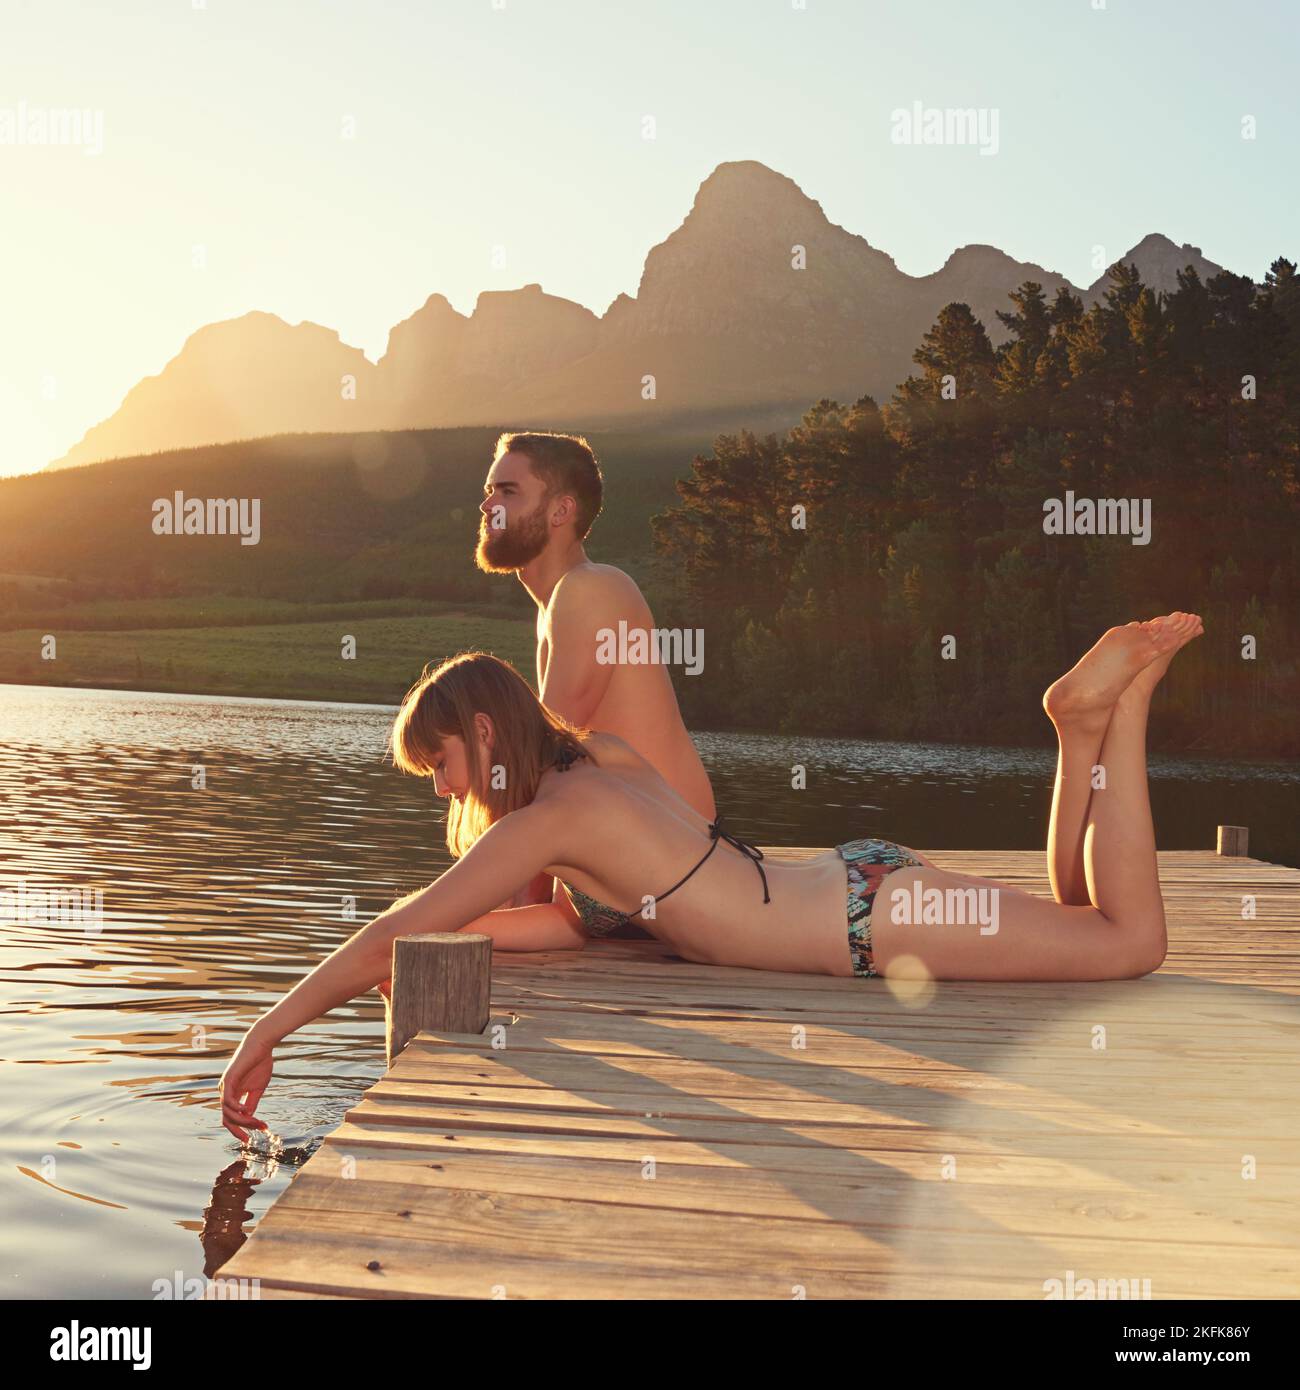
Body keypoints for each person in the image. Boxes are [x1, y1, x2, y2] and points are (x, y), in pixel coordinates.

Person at [219, 612, 1202, 1142]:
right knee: (1081, 920)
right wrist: (450, 936)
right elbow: (591, 923)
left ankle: (1123, 708)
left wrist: (266, 1029)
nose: (440, 790)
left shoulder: (547, 822)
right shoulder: (597, 763)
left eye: (440, 766)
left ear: (482, 734)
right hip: (860, 886)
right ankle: (1079, 729)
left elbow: (395, 929)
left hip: (867, 927)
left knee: (1127, 942)